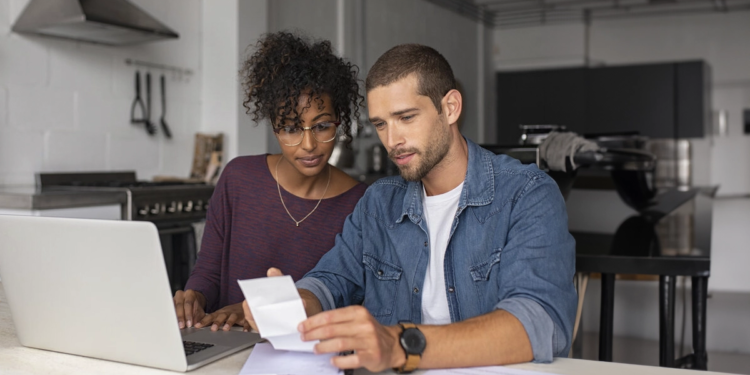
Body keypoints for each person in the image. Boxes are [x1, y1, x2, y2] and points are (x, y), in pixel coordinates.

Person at [244, 44, 577, 372]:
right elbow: (332, 279)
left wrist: (401, 345)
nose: (392, 140)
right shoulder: (378, 203)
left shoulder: (527, 194)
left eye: (405, 117)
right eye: (381, 124)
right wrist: (298, 303)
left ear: (450, 108)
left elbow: (538, 321)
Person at [173, 32, 368, 332]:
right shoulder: (238, 179)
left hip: (305, 358)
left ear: (339, 121)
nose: (308, 144)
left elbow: (347, 299)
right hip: (225, 345)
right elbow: (209, 272)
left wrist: (253, 310)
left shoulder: (360, 203)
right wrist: (194, 297)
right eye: (290, 128)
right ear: (274, 128)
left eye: (322, 126)